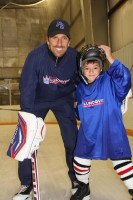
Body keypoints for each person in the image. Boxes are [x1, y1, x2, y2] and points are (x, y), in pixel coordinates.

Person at [13, 19, 79, 200]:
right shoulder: (35, 57)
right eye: (55, 38)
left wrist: (79, 100)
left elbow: (84, 82)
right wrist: (28, 117)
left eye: (64, 38)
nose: (59, 43)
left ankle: (77, 181)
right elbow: (27, 86)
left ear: (69, 41)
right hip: (37, 100)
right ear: (47, 40)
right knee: (26, 139)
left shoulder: (75, 57)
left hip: (63, 100)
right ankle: (26, 184)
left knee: (72, 141)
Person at [70, 44, 133, 200]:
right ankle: (84, 188)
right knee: (79, 160)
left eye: (95, 67)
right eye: (87, 67)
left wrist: (110, 57)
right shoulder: (80, 89)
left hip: (112, 131)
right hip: (89, 132)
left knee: (122, 163)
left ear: (101, 68)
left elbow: (125, 78)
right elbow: (81, 112)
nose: (91, 71)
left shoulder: (110, 82)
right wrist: (75, 109)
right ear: (81, 68)